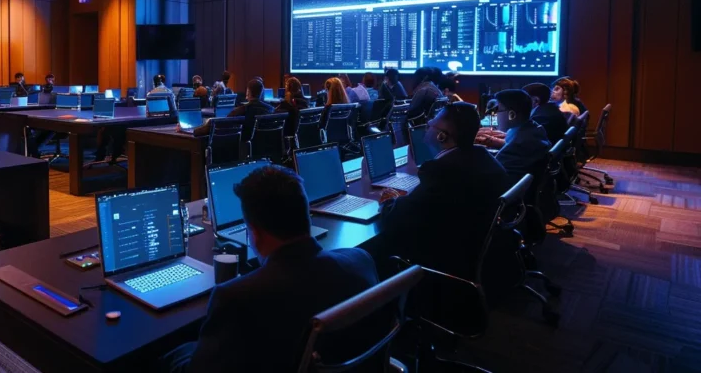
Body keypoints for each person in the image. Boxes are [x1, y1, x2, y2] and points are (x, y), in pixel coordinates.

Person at [165, 165, 381, 373]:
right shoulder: (361, 261)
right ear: (305, 214)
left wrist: (180, 354)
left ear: (255, 234)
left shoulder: (235, 298)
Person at [377, 103, 510, 280]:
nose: (428, 124)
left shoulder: (442, 171)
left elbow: (397, 219)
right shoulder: (486, 159)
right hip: (475, 248)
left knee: (377, 245)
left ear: (442, 136)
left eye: (432, 123)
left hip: (446, 257)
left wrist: (389, 202)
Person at [492, 89, 551, 179]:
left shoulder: (518, 145)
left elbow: (495, 176)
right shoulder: (534, 128)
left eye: (498, 109)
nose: (495, 114)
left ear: (511, 114)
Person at [187, 78, 272, 137]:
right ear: (261, 93)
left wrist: (194, 131)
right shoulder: (271, 110)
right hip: (264, 152)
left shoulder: (240, 111)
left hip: (241, 150)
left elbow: (219, 126)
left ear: (248, 93)